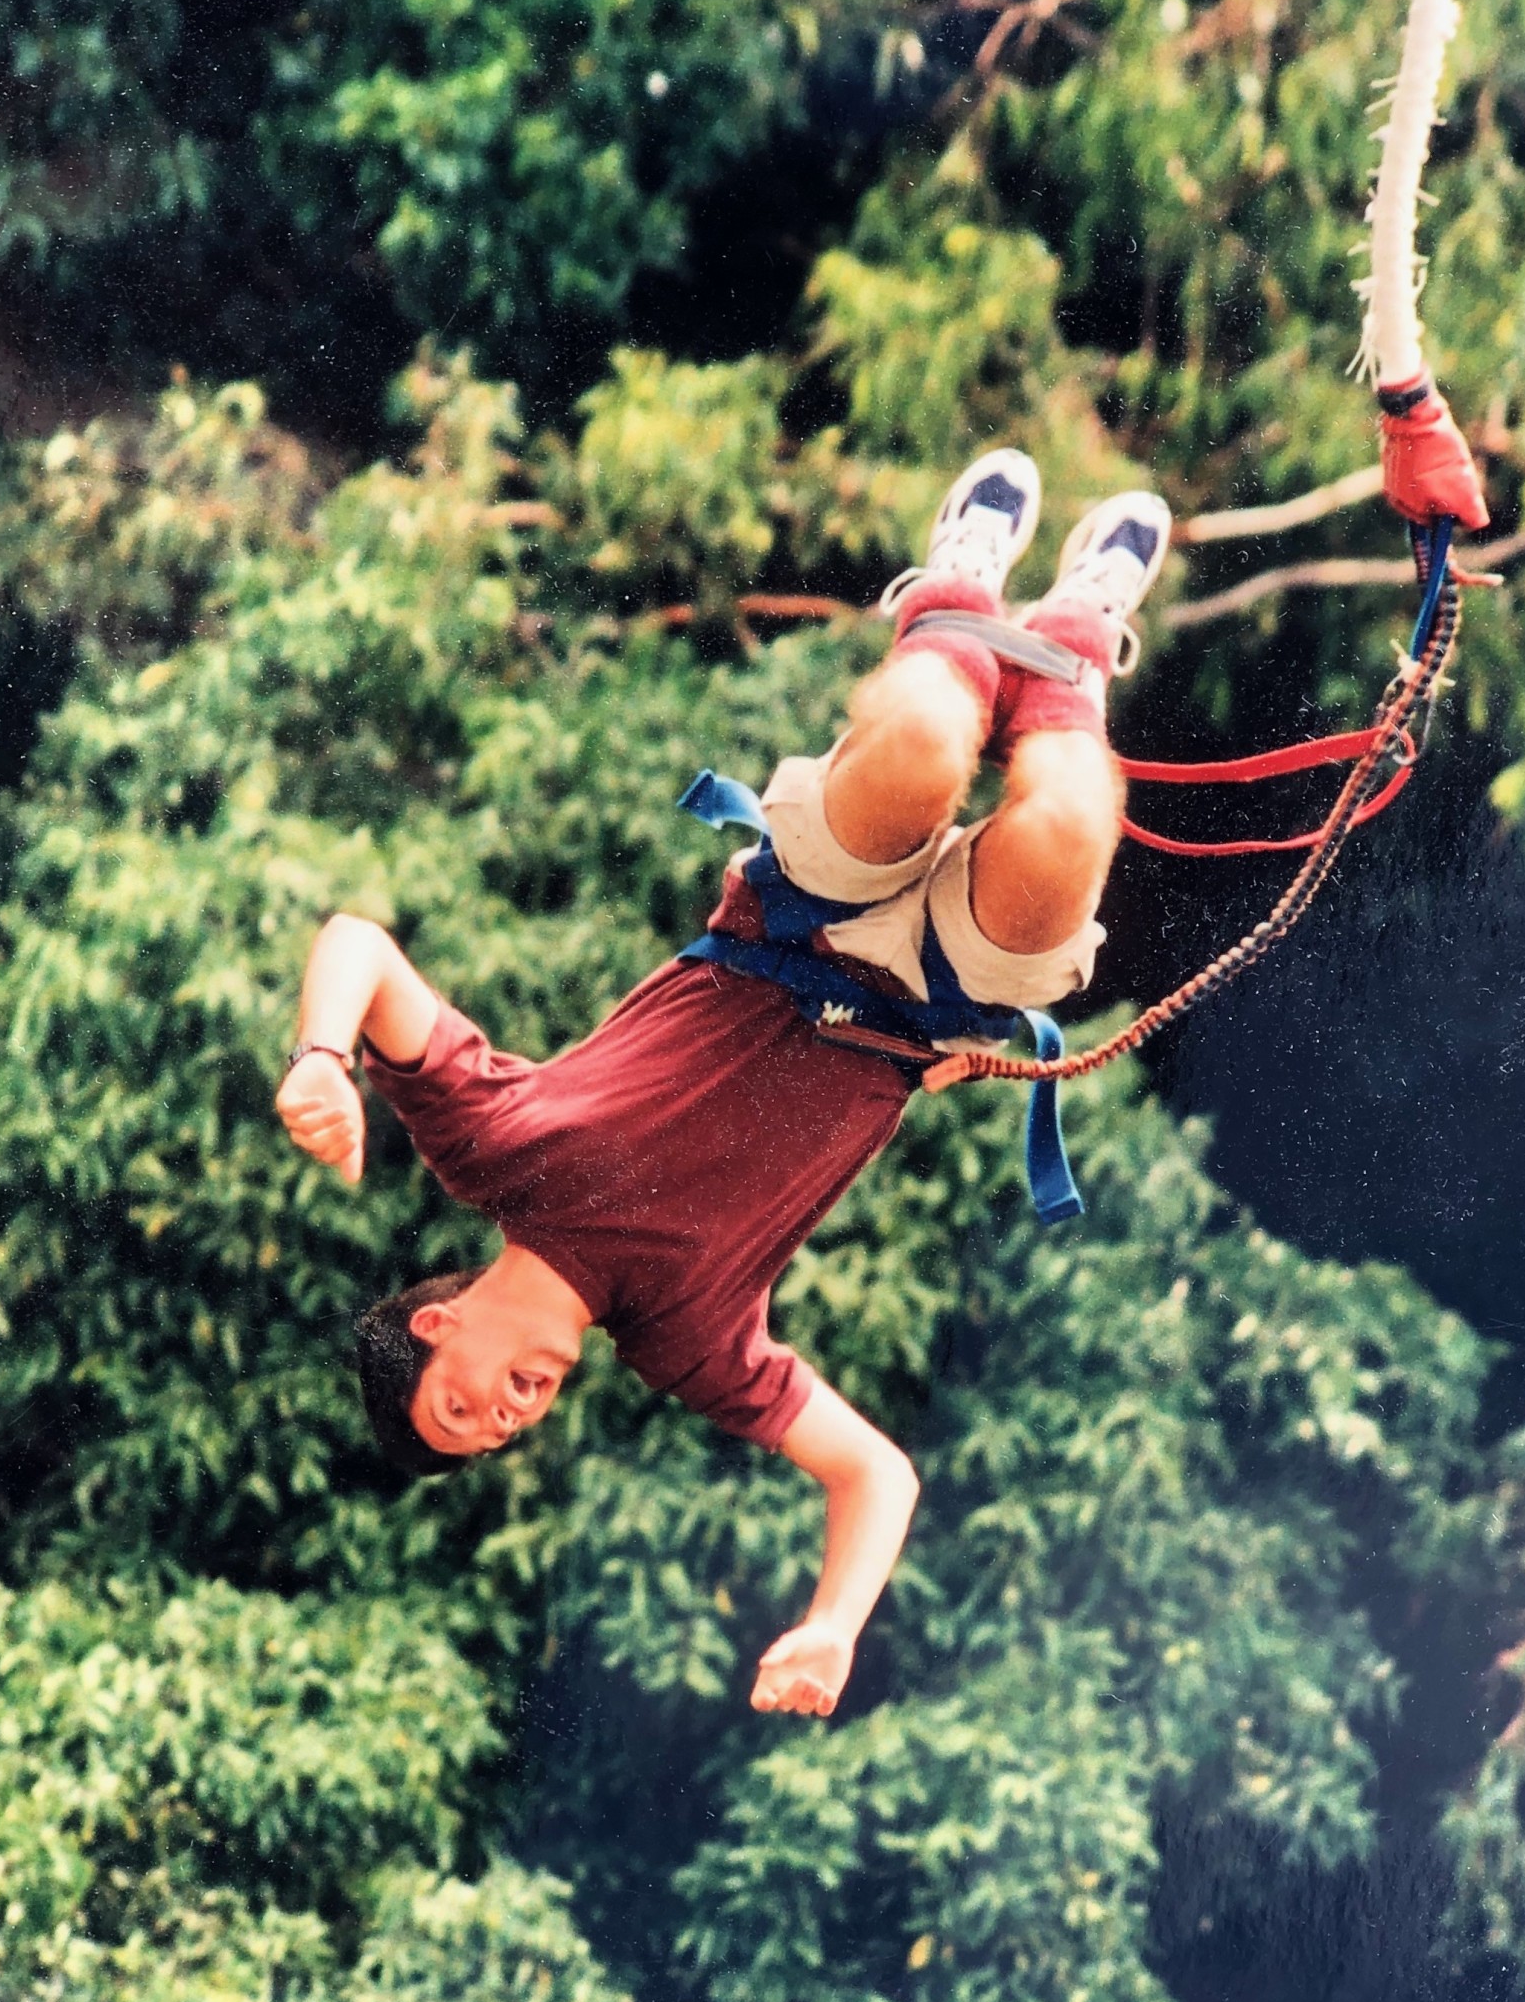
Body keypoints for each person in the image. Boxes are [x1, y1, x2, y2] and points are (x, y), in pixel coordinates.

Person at [278, 449, 1170, 1718]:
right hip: (930, 1006)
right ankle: (1077, 627)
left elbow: (361, 947)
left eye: (466, 1403)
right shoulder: (688, 1344)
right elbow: (875, 1475)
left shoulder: (489, 1150)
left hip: (794, 919)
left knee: (921, 739)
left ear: (437, 1321)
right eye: (499, 1432)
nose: (509, 1413)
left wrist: (322, 1053)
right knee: (1072, 820)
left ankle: (959, 589)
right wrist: (833, 1623)